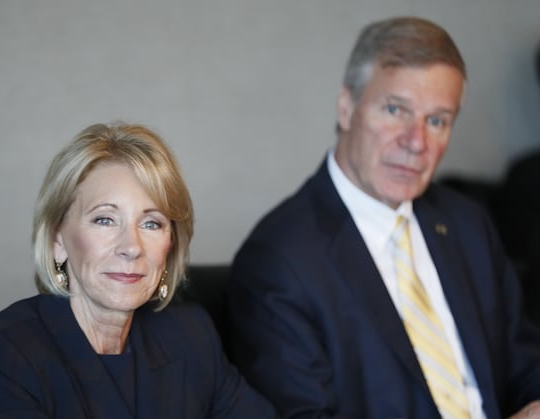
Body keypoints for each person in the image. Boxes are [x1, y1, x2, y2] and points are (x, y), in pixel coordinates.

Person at [228, 16, 540, 419]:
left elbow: (525, 365)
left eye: (437, 121)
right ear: (346, 108)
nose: (416, 142)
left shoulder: (467, 224)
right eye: (395, 109)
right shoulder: (279, 261)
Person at [0, 122, 278, 418]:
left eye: (151, 223)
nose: (131, 247)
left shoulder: (190, 335)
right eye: (104, 219)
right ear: (58, 239)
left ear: (170, 244)